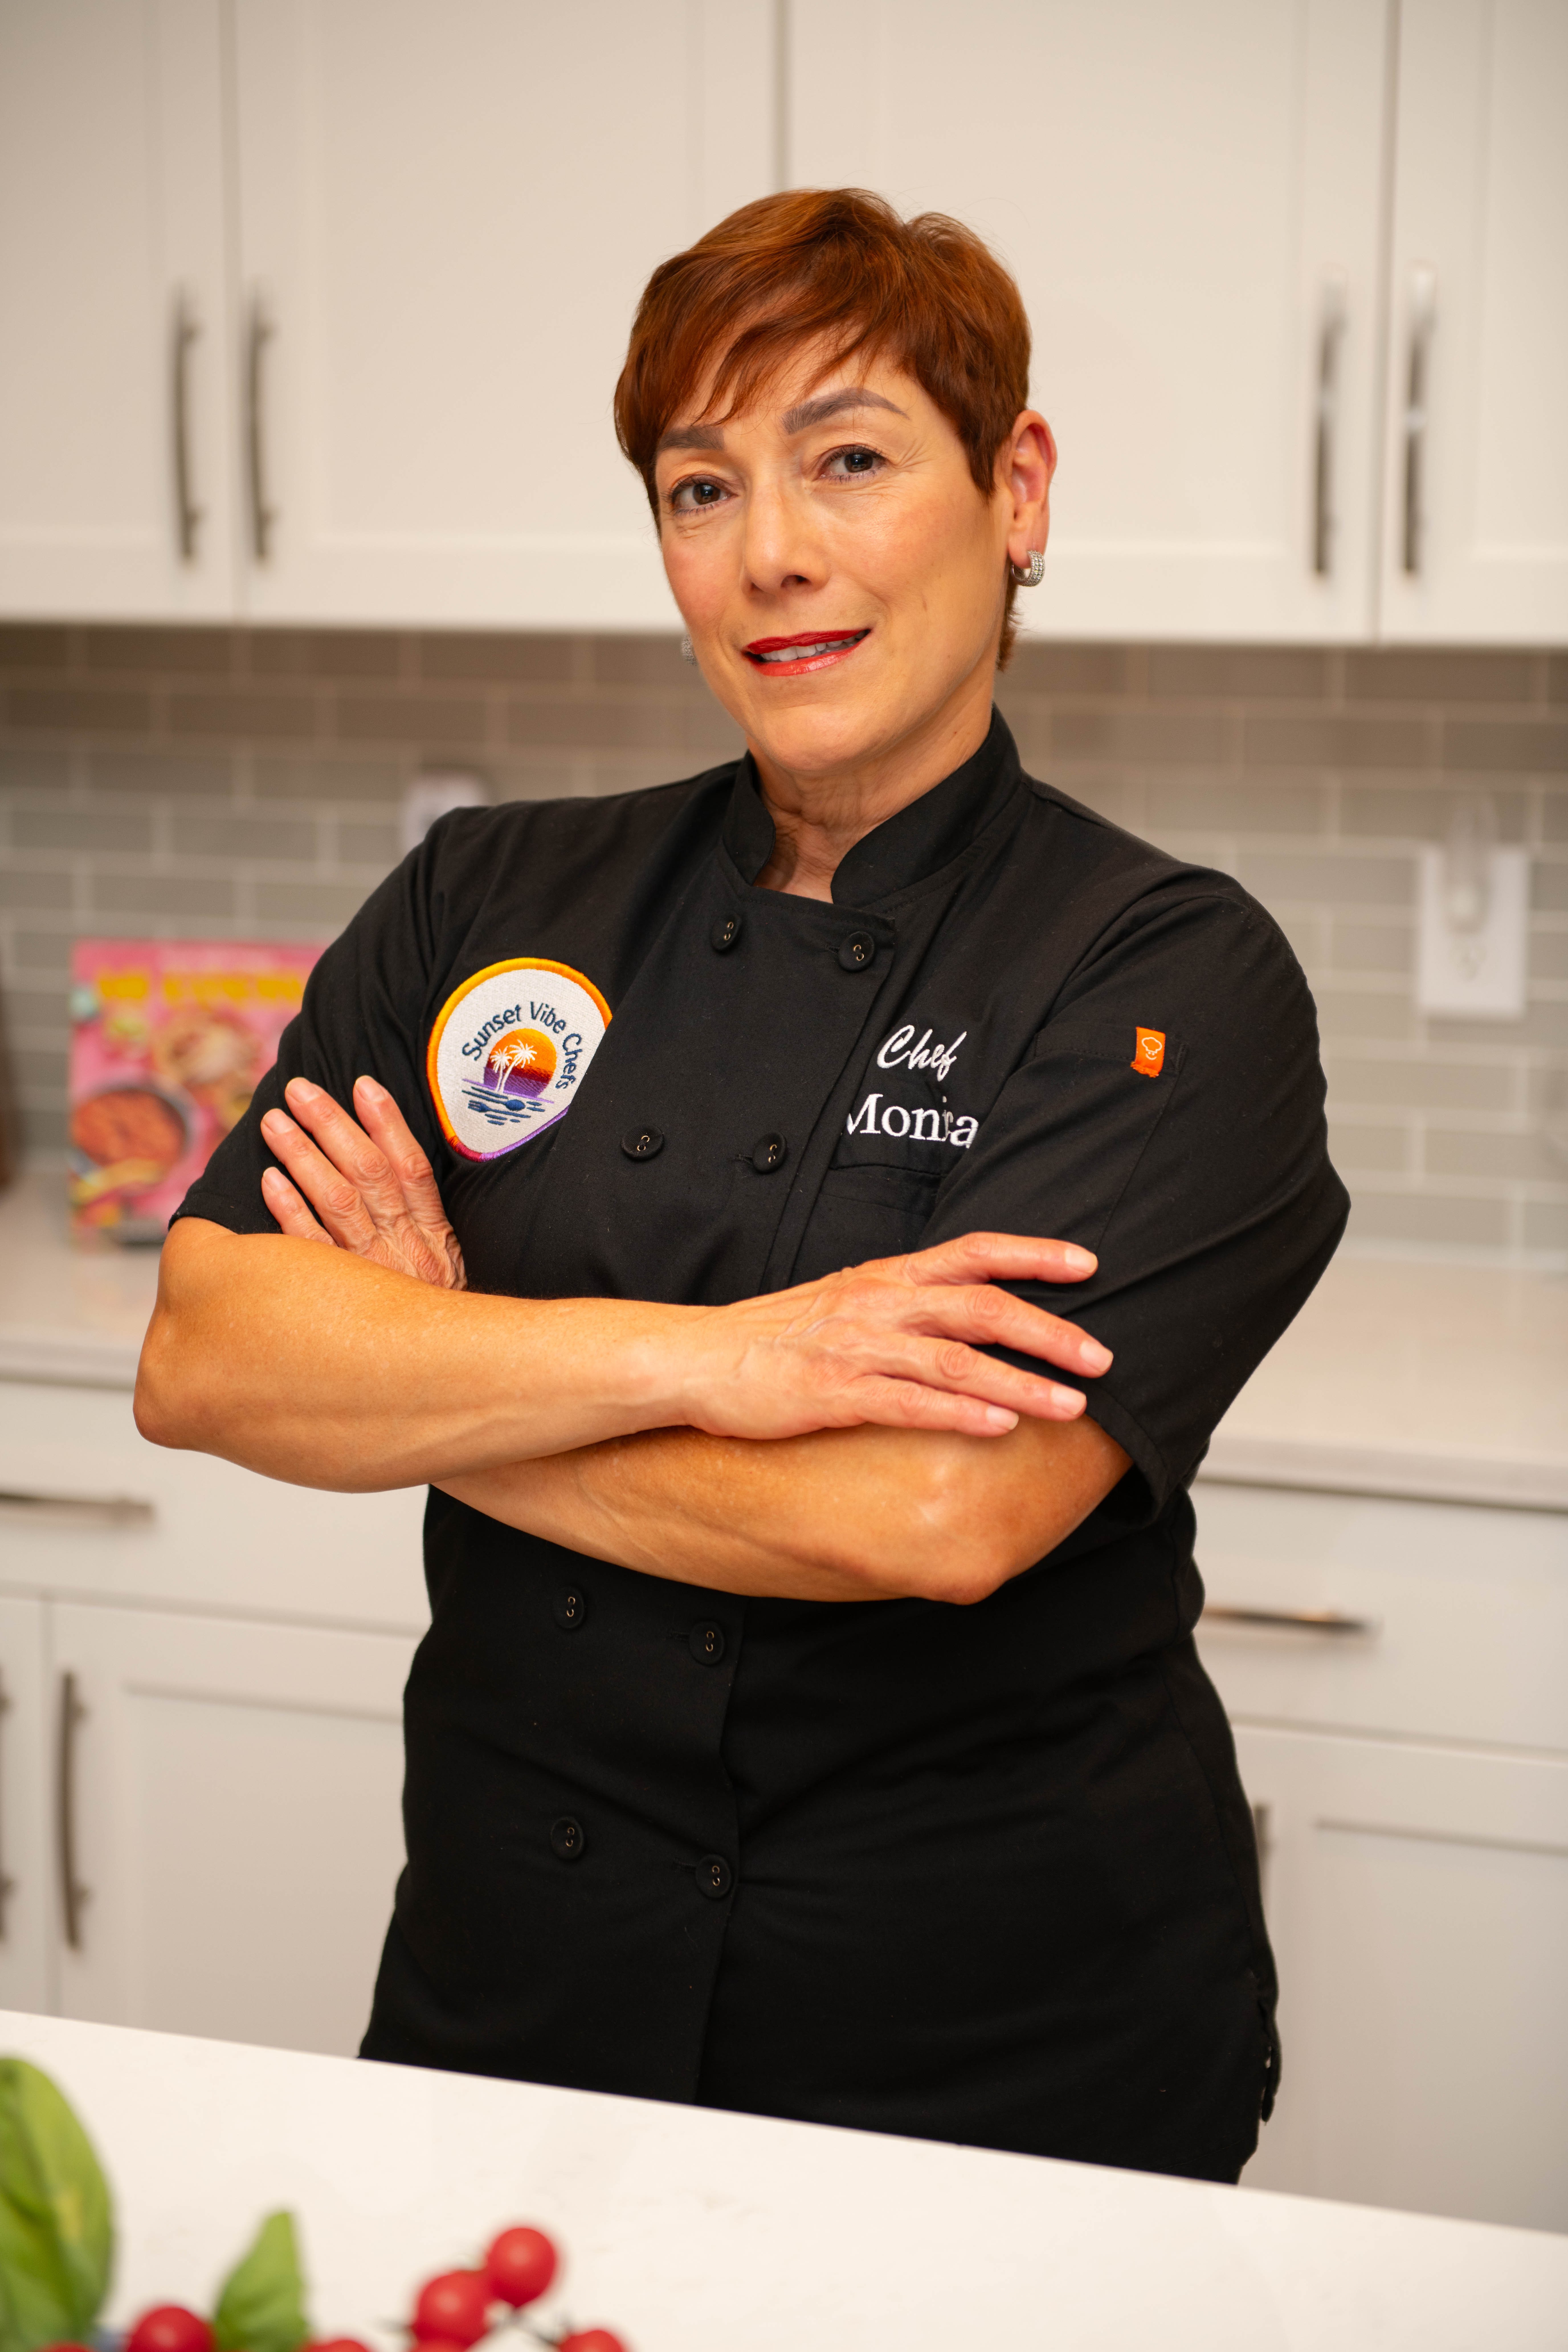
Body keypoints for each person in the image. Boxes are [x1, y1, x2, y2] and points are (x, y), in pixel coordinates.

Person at [136, 189, 1347, 2182]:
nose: (770, 548)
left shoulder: (1169, 973)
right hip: (512, 2005)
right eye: (702, 488)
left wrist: (427, 1379)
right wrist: (737, 1362)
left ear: (1015, 491)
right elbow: (205, 1356)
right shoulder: (481, 899)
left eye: (849, 459)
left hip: (1000, 2059)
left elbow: (941, 1511)